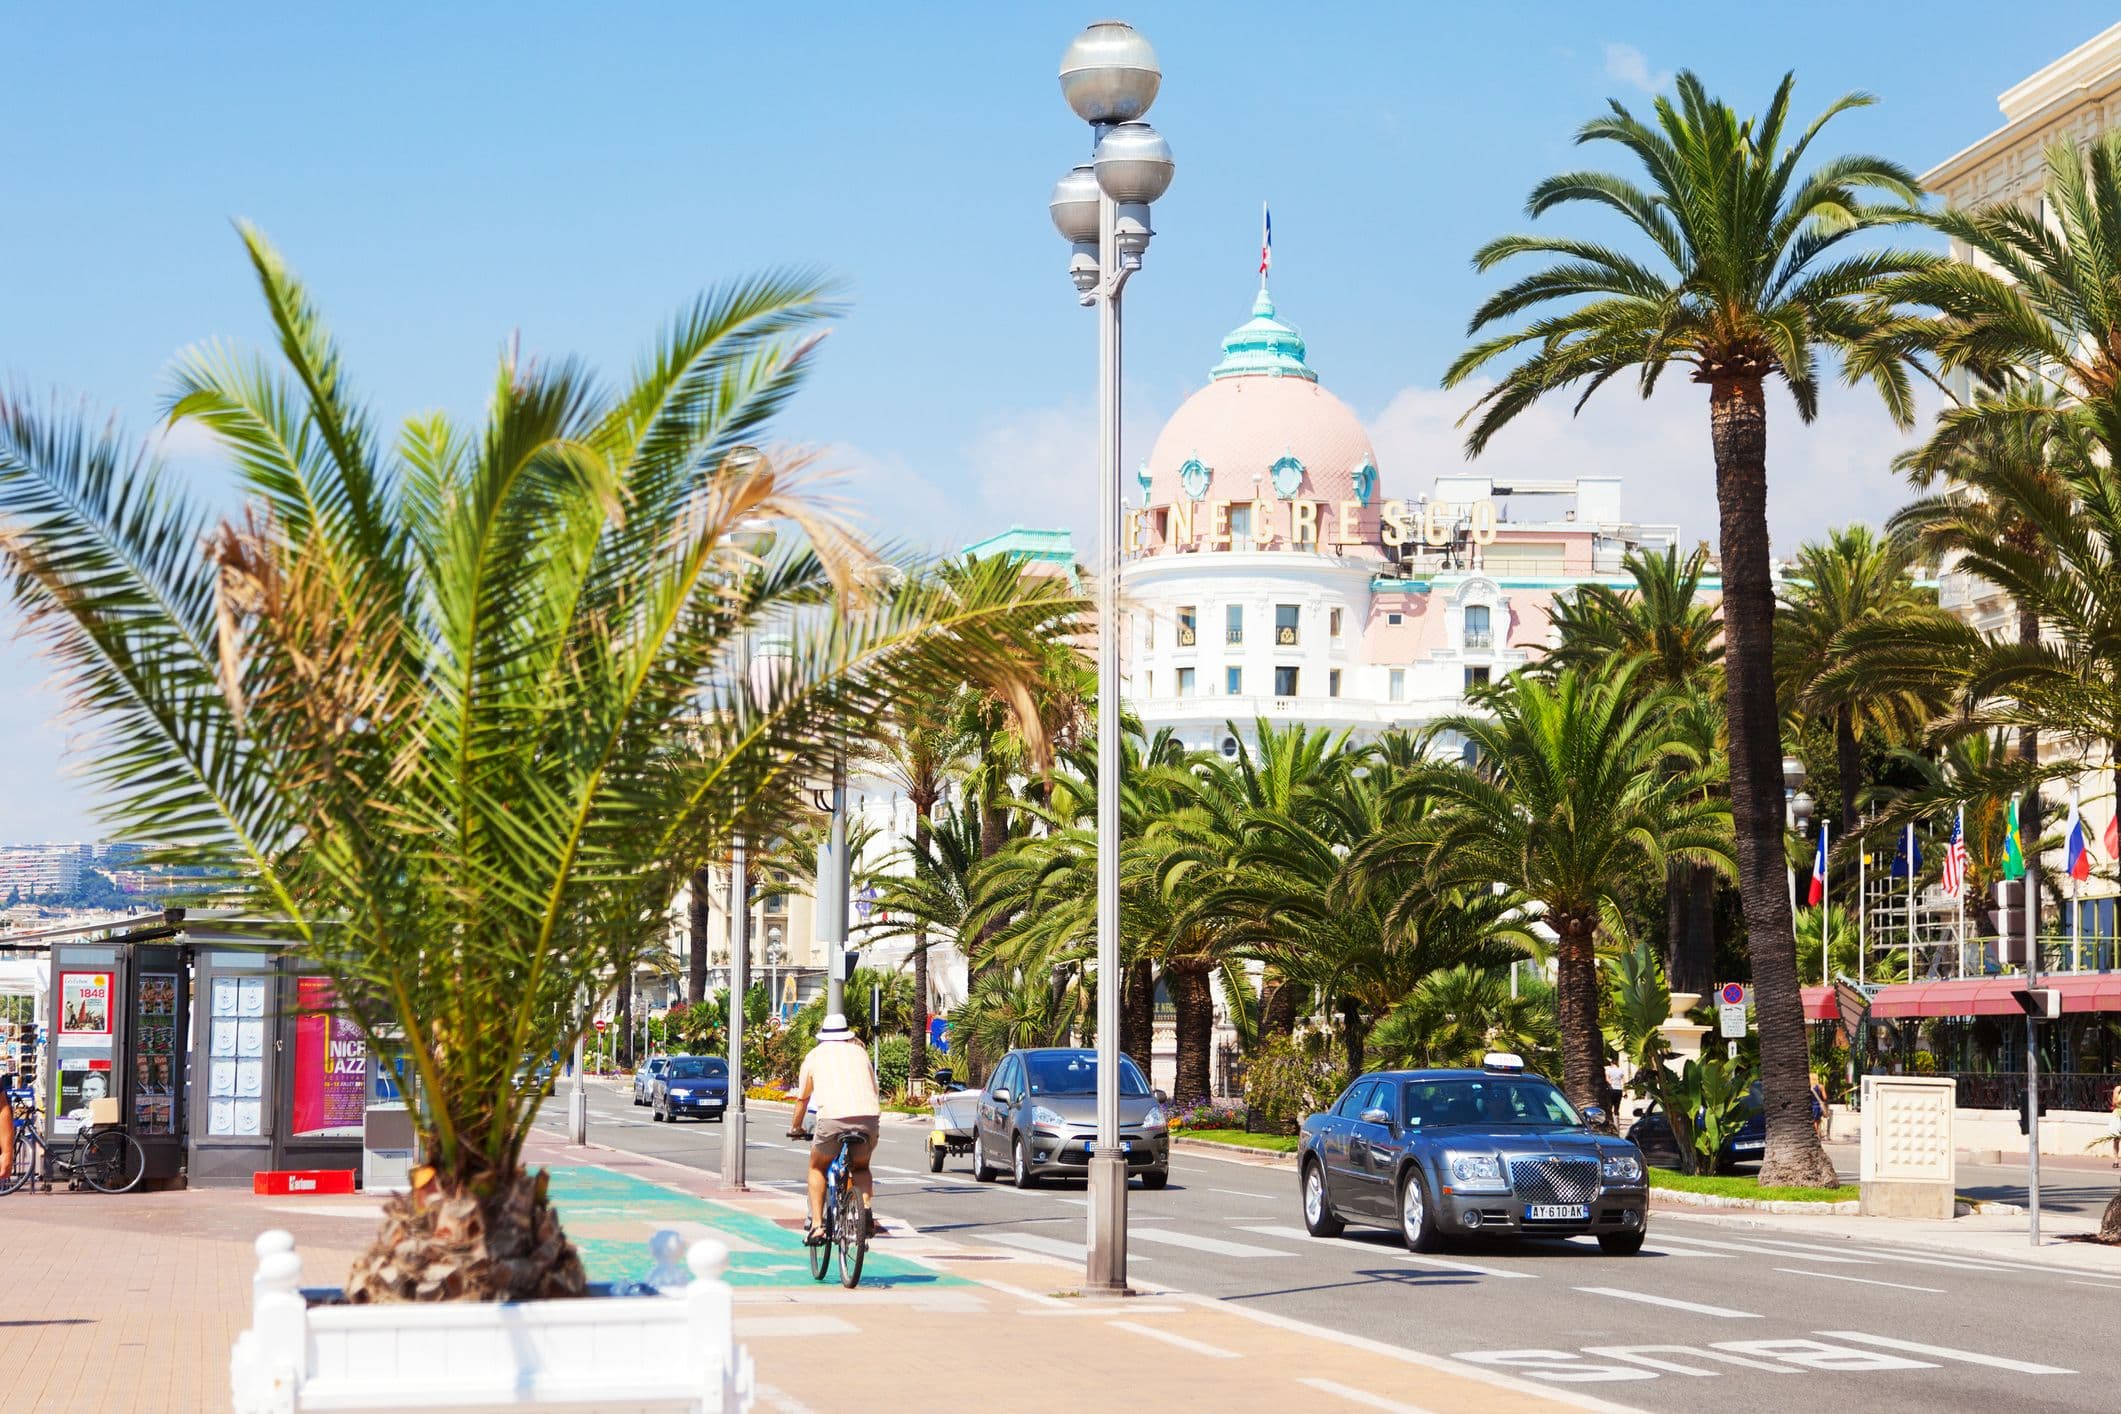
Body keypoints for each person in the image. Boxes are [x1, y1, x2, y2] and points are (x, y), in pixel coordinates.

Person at [788, 1012, 880, 1246]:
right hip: (868, 1117)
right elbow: (874, 1088)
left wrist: (796, 1127)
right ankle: (865, 1209)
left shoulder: (814, 1056)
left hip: (832, 1119)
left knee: (817, 1167)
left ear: (822, 1036)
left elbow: (802, 1099)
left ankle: (818, 1226)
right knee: (861, 1167)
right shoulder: (860, 1053)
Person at [1809, 1070, 1832, 1141]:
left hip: (1811, 1106)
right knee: (1817, 1121)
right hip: (1818, 1106)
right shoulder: (1821, 1086)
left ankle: (1816, 1135)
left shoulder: (1809, 1087)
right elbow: (1825, 1097)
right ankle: (1817, 1135)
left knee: (1814, 1122)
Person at [2106, 1083, 2121, 1169]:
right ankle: (2116, 1160)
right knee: (2116, 1139)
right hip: (2118, 1115)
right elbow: (2114, 1102)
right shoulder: (2118, 1089)